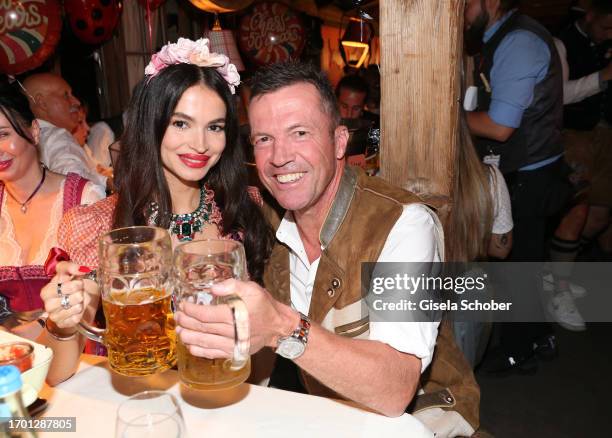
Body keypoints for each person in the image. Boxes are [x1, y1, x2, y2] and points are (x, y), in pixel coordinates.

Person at [174, 62, 480, 436]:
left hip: (425, 421)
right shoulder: (265, 219)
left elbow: (396, 387)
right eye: (264, 139)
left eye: (299, 133)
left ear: (339, 142)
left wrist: (282, 328)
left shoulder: (403, 224)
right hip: (328, 417)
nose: (280, 156)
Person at [37, 38, 274, 385]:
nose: (201, 144)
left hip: (232, 398)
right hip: (144, 404)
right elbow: (59, 376)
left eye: (215, 127)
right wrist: (63, 322)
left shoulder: (247, 209)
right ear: (152, 124)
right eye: (181, 123)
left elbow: (265, 357)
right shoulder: (98, 225)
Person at [464, 0, 570, 374]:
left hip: (529, 173)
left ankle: (518, 349)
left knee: (513, 265)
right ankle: (539, 336)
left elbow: (499, 126)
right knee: (526, 259)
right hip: (533, 167)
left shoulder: (517, 41)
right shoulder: (504, 36)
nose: (458, 10)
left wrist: (449, 116)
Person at [0, 77, 103, 340]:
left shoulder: (82, 198)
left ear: (34, 131)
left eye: (3, 134)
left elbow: (93, 306)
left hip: (76, 358)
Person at [544, 0, 612, 331]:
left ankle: (555, 270)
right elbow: (561, 95)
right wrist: (604, 77)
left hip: (603, 136)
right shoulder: (559, 42)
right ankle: (558, 289)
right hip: (571, 134)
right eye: (606, 27)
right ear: (589, 15)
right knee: (577, 210)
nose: (609, 34)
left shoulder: (606, 44)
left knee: (599, 215)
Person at [447, 114, 513, 367]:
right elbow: (501, 249)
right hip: (468, 289)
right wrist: (472, 233)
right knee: (460, 376)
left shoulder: (395, 174)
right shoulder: (489, 177)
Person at [22, 73, 107, 192]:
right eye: (66, 95)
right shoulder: (56, 136)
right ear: (42, 103)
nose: (76, 102)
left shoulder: (25, 137)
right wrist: (108, 184)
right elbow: (76, 182)